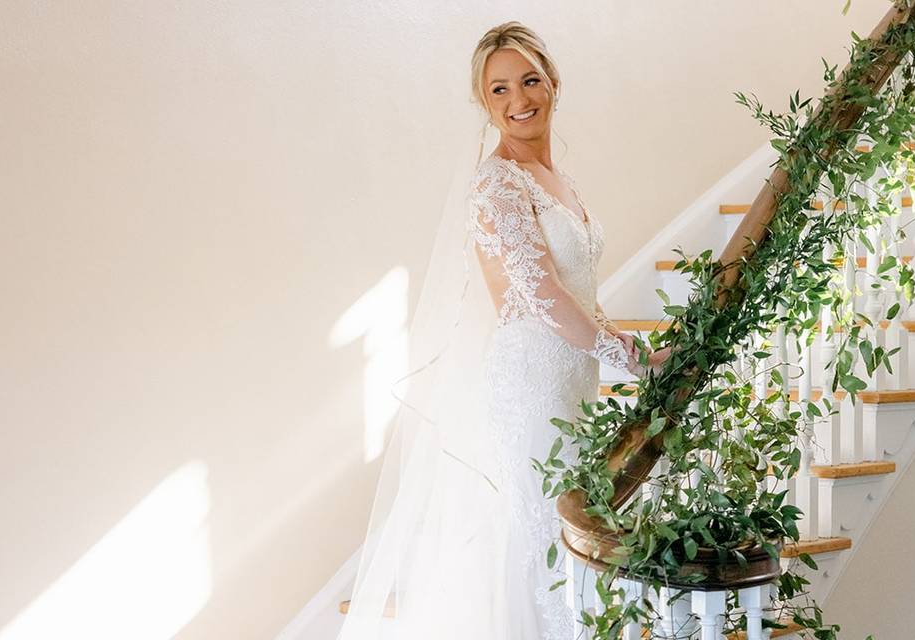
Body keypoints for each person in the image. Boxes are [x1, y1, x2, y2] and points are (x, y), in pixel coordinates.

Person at [276, 21, 669, 640]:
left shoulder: (561, 182)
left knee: (574, 529)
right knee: (546, 530)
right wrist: (635, 356)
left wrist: (620, 347)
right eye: (500, 90)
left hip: (574, 378)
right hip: (531, 381)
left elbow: (580, 296)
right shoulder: (496, 183)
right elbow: (541, 294)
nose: (520, 101)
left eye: (530, 80)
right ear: (485, 105)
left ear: (553, 82)